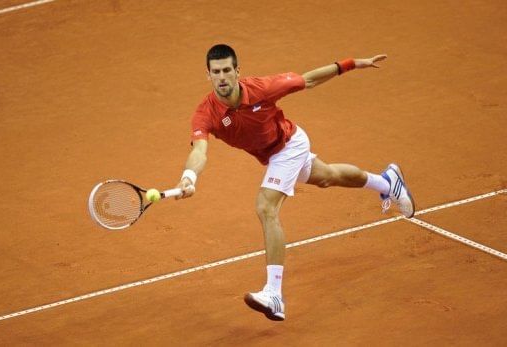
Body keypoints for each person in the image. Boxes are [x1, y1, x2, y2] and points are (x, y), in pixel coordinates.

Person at [175, 44, 415, 321]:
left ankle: (274, 293)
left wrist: (351, 63)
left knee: (266, 207)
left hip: (289, 145)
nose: (222, 77)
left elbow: (308, 79)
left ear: (237, 71)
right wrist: (189, 177)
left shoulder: (262, 88)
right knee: (329, 177)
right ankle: (387, 183)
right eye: (216, 72)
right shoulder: (205, 113)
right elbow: (199, 150)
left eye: (227, 70)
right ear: (208, 75)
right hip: (271, 156)